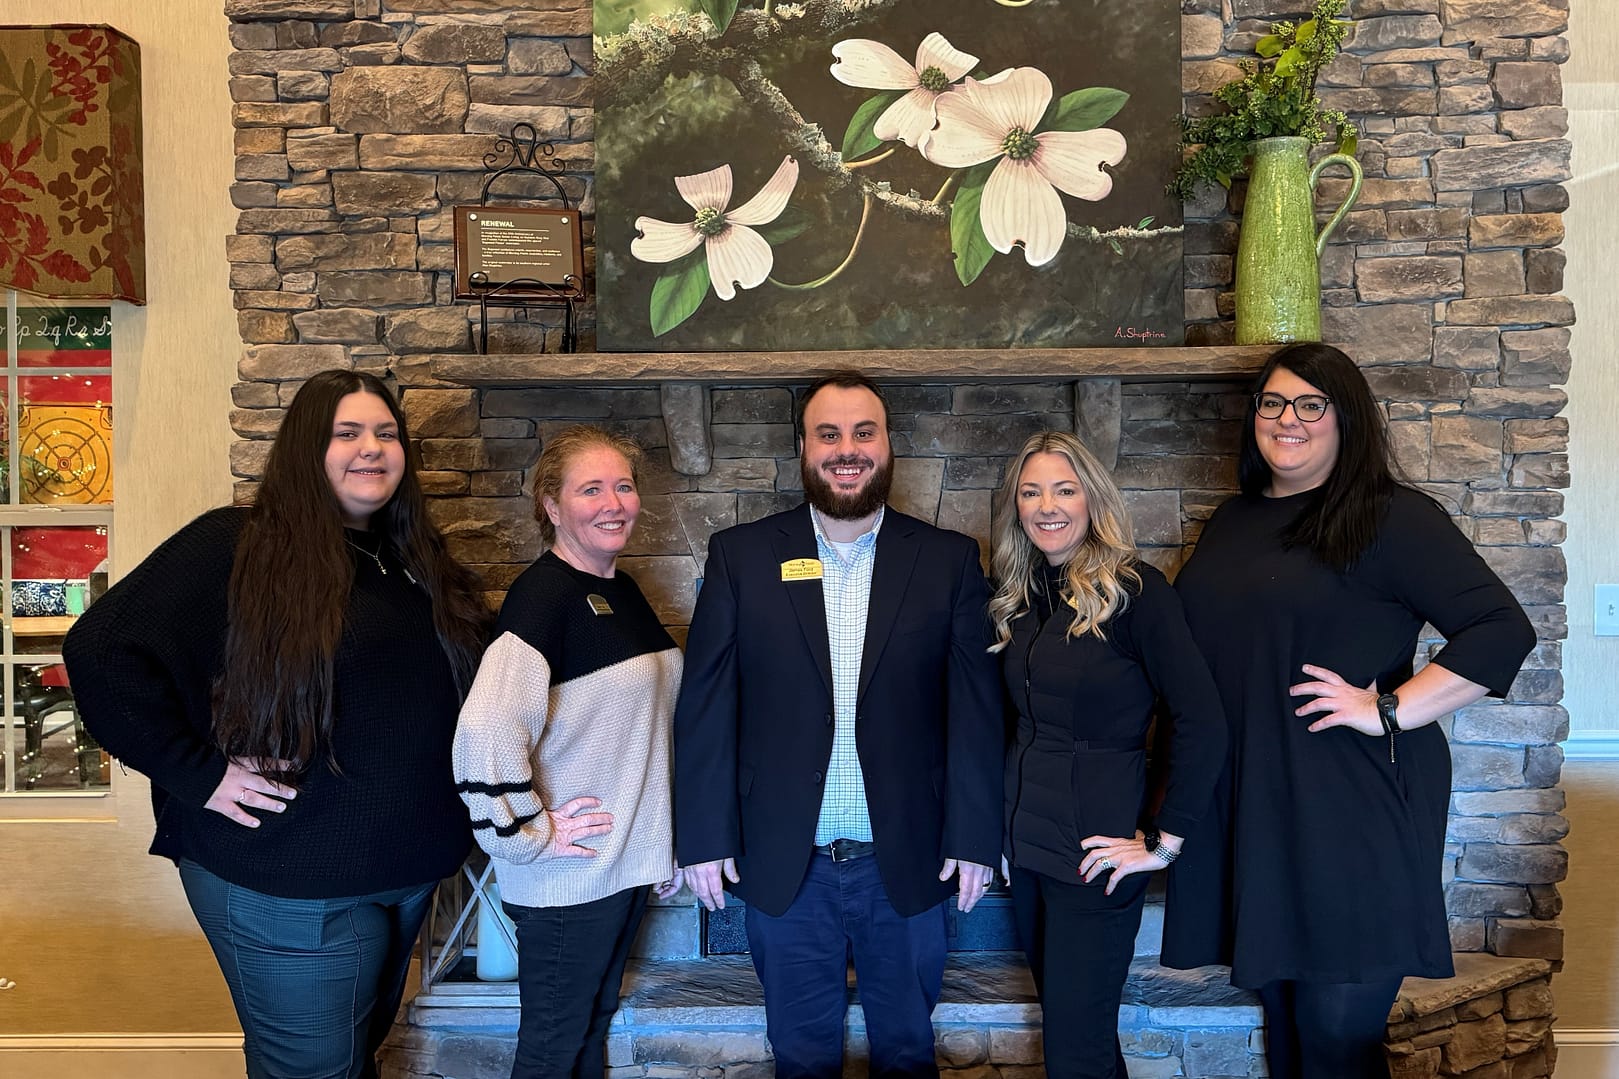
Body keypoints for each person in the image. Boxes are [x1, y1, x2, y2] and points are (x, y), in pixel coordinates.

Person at [64, 369, 490, 1079]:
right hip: (289, 878)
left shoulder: (413, 561)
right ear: (305, 447)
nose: (371, 447)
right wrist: (199, 773)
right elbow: (102, 651)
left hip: (407, 871)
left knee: (346, 1061)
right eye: (346, 432)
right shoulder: (238, 543)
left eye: (386, 433)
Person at [1162, 343, 1537, 1079]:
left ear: (1347, 420)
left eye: (1312, 404)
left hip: (1351, 804)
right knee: (1286, 1022)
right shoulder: (1232, 520)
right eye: (1273, 402)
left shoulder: (1391, 517)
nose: (1288, 418)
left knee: (1336, 1034)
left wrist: (1388, 707)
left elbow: (1501, 629)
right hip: (1257, 803)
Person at [673, 370, 1003, 1079]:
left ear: (887, 446)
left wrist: (976, 836)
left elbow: (975, 712)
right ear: (803, 448)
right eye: (828, 434)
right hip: (784, 863)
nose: (846, 450)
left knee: (908, 1052)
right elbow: (705, 705)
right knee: (799, 1057)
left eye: (863, 433)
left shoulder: (947, 561)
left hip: (907, 860)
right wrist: (701, 836)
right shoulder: (740, 556)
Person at [989, 431, 1227, 1079]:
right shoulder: (1020, 595)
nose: (1047, 506)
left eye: (1064, 489)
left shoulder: (1136, 593)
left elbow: (1203, 721)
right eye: (1031, 492)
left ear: (1092, 499)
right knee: (1078, 1040)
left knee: (1076, 1051)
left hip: (1096, 857)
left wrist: (1164, 842)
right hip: (1029, 851)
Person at [453, 425, 684, 1079]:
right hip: (568, 877)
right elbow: (484, 731)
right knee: (553, 1050)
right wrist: (526, 832)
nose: (614, 503)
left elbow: (644, 732)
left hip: (618, 867)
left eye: (623, 486)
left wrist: (659, 842)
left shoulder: (623, 591)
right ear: (551, 506)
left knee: (587, 1032)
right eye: (591, 489)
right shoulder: (544, 596)